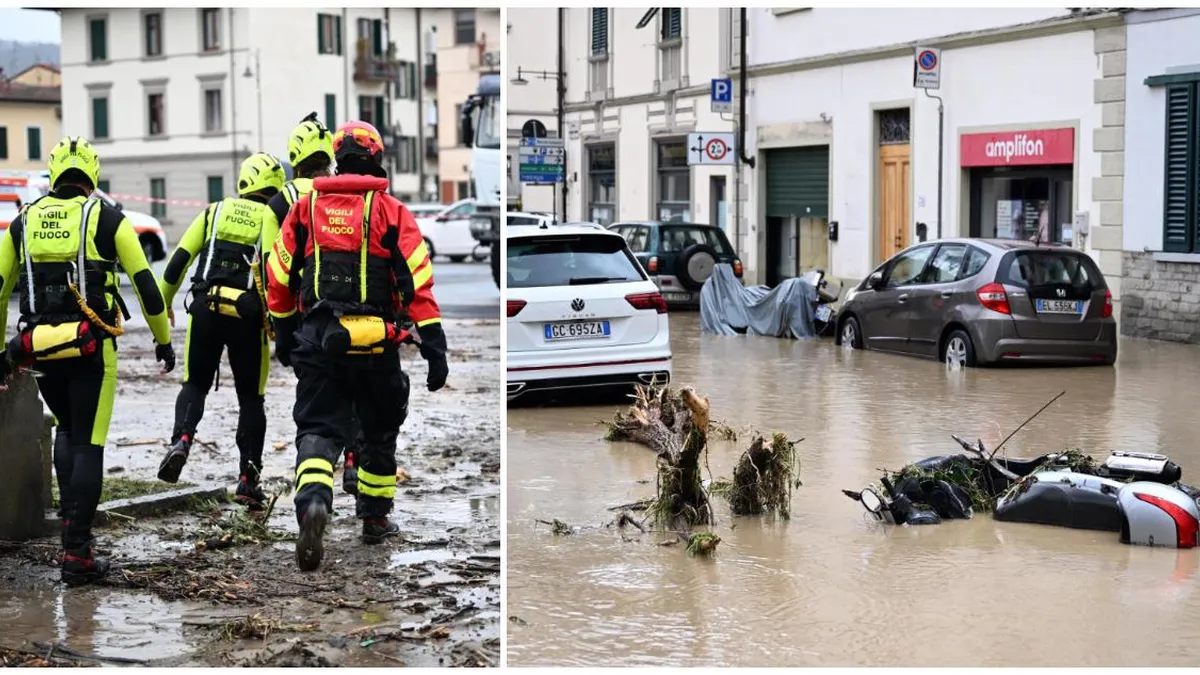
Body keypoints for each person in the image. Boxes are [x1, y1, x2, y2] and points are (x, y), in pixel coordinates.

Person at [266, 120, 448, 572]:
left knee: (318, 429)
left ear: (335, 159)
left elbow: (279, 275)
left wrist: (286, 331)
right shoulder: (391, 210)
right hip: (376, 343)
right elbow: (417, 280)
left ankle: (312, 501)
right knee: (380, 428)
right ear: (377, 158)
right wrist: (434, 344)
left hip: (318, 339)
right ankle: (374, 518)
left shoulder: (305, 209)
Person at [0, 136, 176, 586]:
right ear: (91, 176)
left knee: (67, 430)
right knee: (88, 443)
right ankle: (78, 554)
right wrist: (162, 340)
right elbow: (147, 287)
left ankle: (68, 530)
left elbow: (0, 290)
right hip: (93, 350)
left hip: (39, 349)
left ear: (55, 171)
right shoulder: (108, 218)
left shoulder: (23, 222)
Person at [156, 153, 287, 512]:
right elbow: (279, 270)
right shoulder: (272, 216)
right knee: (250, 399)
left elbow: (178, 261)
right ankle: (248, 479)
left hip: (205, 309)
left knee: (194, 384)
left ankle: (181, 440)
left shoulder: (213, 212)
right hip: (247, 315)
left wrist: (164, 304)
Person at [263, 112, 362, 497]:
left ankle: (316, 493)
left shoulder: (279, 202)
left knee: (317, 410)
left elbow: (274, 270)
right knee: (359, 390)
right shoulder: (348, 192)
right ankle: (354, 460)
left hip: (307, 321)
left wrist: (280, 332)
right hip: (355, 312)